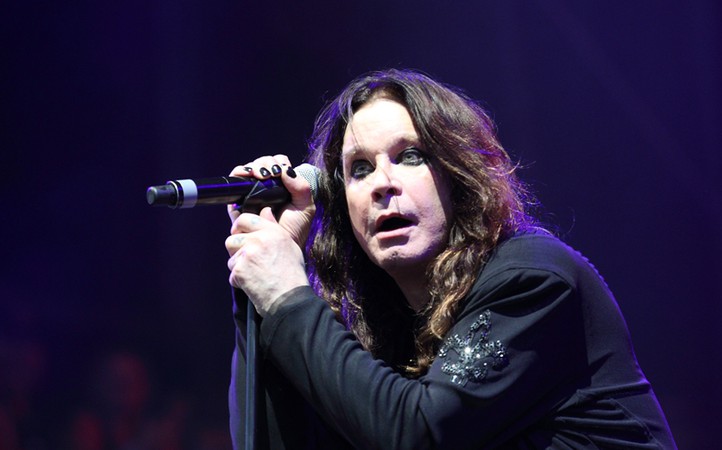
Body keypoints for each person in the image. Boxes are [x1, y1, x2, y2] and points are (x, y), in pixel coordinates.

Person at [224, 69, 676, 449]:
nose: (382, 183)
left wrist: (288, 295)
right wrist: (261, 292)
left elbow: (419, 435)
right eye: (359, 168)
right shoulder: (385, 329)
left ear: (459, 174)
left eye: (411, 157)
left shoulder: (534, 280)